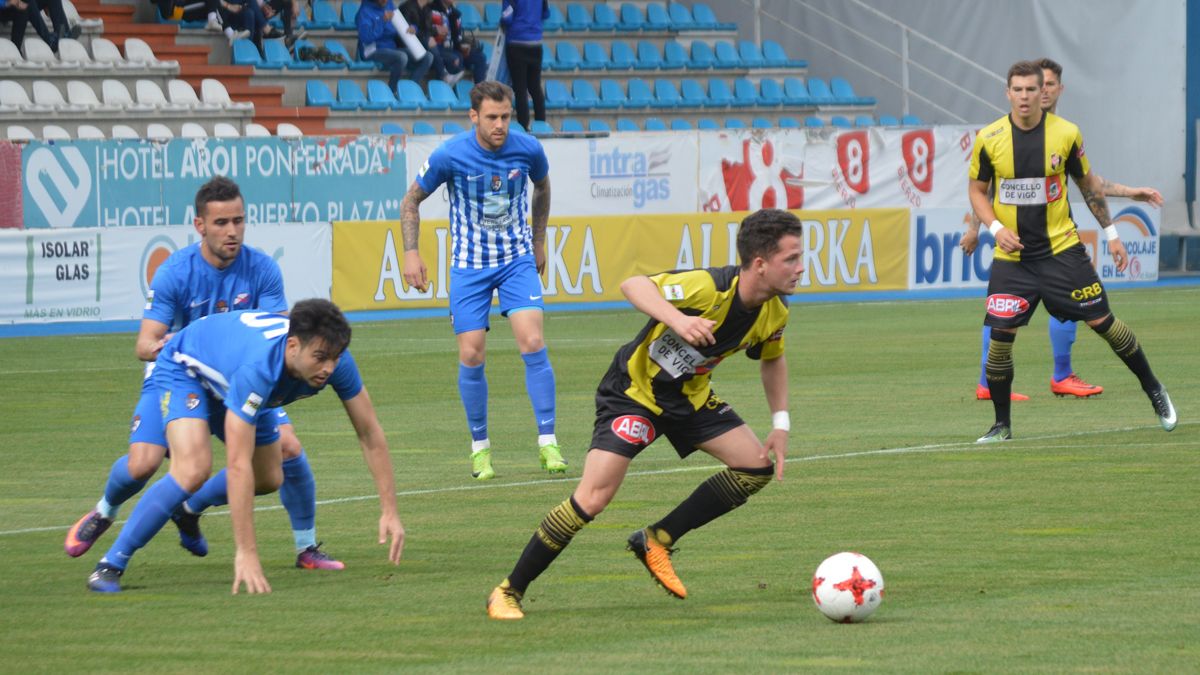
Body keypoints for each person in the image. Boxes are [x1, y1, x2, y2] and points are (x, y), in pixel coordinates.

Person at [485, 208, 801, 620]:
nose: (799, 268)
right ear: (759, 264)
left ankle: (657, 540)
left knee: (755, 467)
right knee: (594, 497)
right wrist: (678, 320)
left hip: (689, 400)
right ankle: (508, 591)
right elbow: (633, 284)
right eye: (791, 259)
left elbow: (772, 360)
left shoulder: (775, 312)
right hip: (634, 395)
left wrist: (780, 423)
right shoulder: (708, 288)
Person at [65, 177, 348, 573]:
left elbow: (278, 333)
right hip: (179, 373)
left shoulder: (263, 269)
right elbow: (145, 344)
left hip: (239, 378)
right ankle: (105, 511)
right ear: (200, 226)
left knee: (284, 452)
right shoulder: (175, 273)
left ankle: (294, 544)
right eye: (221, 223)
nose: (232, 231)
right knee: (144, 463)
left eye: (238, 221)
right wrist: (192, 342)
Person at [86, 300, 405, 594]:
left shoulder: (335, 360)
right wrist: (247, 553)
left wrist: (390, 511)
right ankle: (110, 565)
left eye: (334, 358)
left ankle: (187, 510)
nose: (329, 368)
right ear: (292, 346)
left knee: (268, 477)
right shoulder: (259, 369)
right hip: (186, 370)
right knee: (193, 469)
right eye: (320, 358)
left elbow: (369, 433)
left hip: (235, 379)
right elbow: (236, 464)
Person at [968, 60, 1177, 443]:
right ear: (1008, 92)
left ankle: (1154, 389)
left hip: (1061, 252)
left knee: (1104, 324)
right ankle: (1002, 426)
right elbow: (977, 192)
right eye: (1019, 90)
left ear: (1044, 93)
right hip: (1012, 261)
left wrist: (1112, 233)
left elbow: (1088, 185)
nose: (1027, 96)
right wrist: (994, 229)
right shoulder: (990, 138)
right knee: (1001, 336)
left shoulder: (1066, 135)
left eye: (1033, 89)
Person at [400, 80, 564, 480]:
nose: (501, 125)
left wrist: (539, 240)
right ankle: (480, 449)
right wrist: (410, 252)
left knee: (533, 340)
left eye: (506, 116)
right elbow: (411, 200)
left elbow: (542, 187)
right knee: (472, 353)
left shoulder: (528, 149)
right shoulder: (450, 154)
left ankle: (548, 442)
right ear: (473, 116)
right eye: (492, 117)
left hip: (516, 261)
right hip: (469, 267)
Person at [357, 0, 432, 90]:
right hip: (372, 50)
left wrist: (412, 28)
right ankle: (392, 91)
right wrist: (382, 21)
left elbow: (401, 23)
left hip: (391, 48)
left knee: (427, 57)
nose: (385, 1)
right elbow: (366, 38)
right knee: (401, 57)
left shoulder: (389, 4)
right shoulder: (364, 11)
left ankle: (409, 89)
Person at [499, 0, 547, 130]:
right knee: (535, 87)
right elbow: (545, 14)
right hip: (536, 43)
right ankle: (541, 125)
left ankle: (523, 127)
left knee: (520, 89)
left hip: (517, 42)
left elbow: (507, 18)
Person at [431, 0, 485, 84]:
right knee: (456, 58)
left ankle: (481, 92)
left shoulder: (455, 13)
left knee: (479, 57)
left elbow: (457, 38)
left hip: (453, 49)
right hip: (437, 49)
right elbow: (427, 33)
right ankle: (442, 88)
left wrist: (462, 46)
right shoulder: (431, 10)